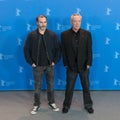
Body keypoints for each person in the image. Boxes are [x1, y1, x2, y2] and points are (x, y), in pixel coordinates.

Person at [24, 15, 61, 115]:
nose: (43, 24)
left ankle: (52, 103)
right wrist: (31, 62)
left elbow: (58, 49)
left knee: (50, 86)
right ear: (37, 23)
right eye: (41, 22)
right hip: (37, 66)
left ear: (47, 23)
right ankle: (36, 104)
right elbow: (26, 50)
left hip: (50, 66)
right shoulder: (31, 35)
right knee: (37, 87)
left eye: (45, 22)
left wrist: (55, 61)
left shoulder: (52, 35)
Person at [61, 13, 94, 114]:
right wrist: (66, 63)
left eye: (78, 21)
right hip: (71, 67)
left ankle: (88, 105)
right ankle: (66, 105)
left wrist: (89, 63)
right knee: (69, 87)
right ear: (71, 22)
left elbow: (89, 50)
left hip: (84, 66)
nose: (76, 23)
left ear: (81, 22)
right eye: (74, 21)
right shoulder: (64, 35)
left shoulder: (87, 34)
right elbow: (64, 51)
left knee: (86, 87)